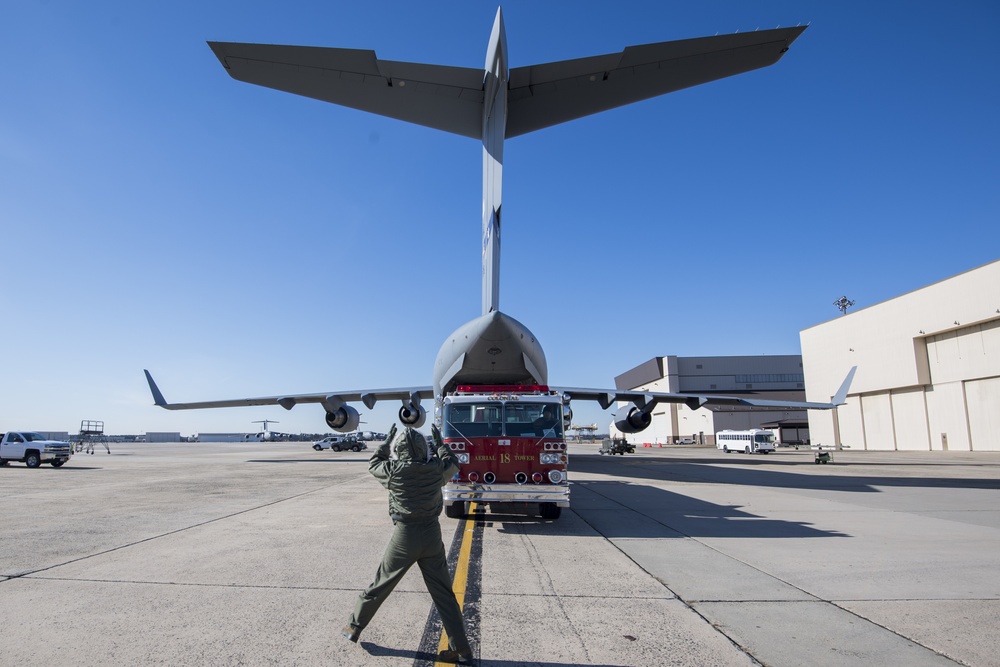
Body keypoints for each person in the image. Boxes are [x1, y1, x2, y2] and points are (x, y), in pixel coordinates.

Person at [341, 424, 472, 664]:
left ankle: (354, 627)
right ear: (424, 449)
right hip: (432, 535)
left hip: (405, 535)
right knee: (443, 593)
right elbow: (453, 463)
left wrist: (385, 442)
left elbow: (373, 463)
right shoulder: (435, 469)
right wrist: (441, 444)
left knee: (381, 584)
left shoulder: (393, 470)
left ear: (399, 450)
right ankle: (461, 648)